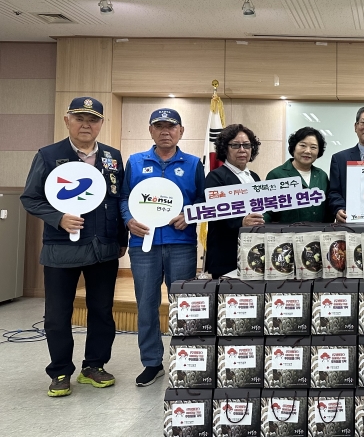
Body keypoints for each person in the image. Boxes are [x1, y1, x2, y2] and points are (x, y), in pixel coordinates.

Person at [21, 97, 127, 397]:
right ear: (67, 120)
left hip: (103, 248)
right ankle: (60, 371)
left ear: (101, 124)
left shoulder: (112, 157)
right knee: (57, 314)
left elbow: (119, 200)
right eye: (79, 118)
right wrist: (58, 218)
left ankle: (93, 365)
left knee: (102, 312)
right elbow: (30, 198)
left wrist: (121, 240)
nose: (86, 124)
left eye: (93, 119)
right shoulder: (49, 155)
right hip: (61, 250)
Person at [120, 108, 205, 387]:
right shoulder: (135, 162)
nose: (165, 131)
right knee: (146, 304)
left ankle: (185, 361)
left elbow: (205, 203)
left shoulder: (193, 164)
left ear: (181, 131)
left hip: (181, 244)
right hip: (143, 244)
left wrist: (189, 215)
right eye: (159, 126)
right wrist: (128, 220)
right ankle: (152, 362)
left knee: (183, 306)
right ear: (150, 130)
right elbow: (123, 199)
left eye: (171, 126)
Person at [204, 124, 265, 278]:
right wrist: (241, 221)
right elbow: (215, 213)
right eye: (235, 145)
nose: (242, 150)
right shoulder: (215, 177)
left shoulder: (255, 177)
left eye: (246, 145)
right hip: (226, 253)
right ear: (225, 148)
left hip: (253, 250)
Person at [264, 127, 332, 224]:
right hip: (286, 236)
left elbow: (328, 210)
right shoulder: (276, 175)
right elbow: (267, 211)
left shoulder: (322, 176)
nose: (308, 151)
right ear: (294, 147)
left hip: (318, 236)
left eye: (313, 147)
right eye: (303, 145)